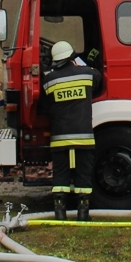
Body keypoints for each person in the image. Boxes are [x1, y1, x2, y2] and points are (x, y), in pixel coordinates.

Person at [43, 40, 102, 221]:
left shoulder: (49, 80)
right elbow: (98, 79)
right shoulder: (87, 75)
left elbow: (45, 104)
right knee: (83, 175)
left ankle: (59, 214)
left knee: (60, 175)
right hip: (84, 138)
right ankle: (83, 213)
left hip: (59, 138)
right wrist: (81, 63)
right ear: (72, 57)